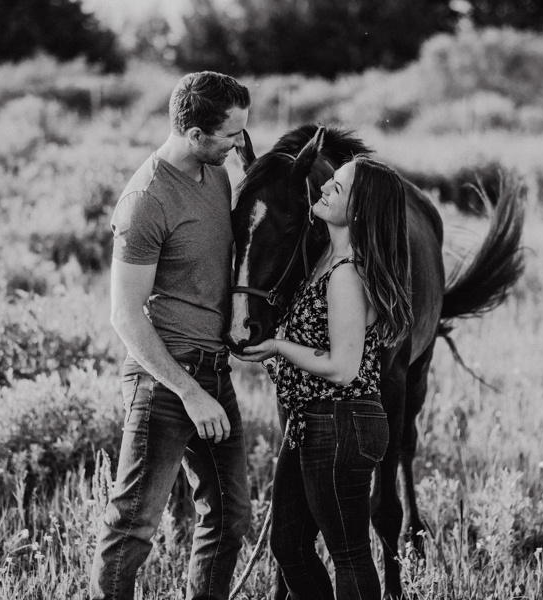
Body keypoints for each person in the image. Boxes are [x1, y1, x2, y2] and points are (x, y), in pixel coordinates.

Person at [90, 71, 252, 600]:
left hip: (213, 370)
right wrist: (189, 391)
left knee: (230, 518)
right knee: (133, 526)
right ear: (194, 134)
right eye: (230, 136)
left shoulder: (219, 176)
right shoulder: (147, 199)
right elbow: (125, 314)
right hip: (163, 381)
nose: (238, 145)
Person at [234, 156, 413, 600]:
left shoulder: (347, 274)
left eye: (339, 186)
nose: (325, 188)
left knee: (348, 552)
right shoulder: (323, 261)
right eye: (331, 180)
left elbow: (343, 367)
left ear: (359, 210)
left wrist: (277, 347)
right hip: (313, 422)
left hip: (341, 423)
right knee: (287, 543)